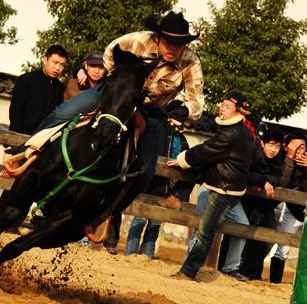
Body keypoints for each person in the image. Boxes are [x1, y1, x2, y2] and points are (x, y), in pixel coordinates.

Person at [31, 12, 204, 207]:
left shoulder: (191, 62)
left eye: (178, 44)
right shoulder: (137, 41)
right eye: (168, 42)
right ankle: (26, 156)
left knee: (146, 172)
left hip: (151, 110)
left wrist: (186, 110)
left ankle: (109, 212)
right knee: (61, 113)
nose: (173, 48)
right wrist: (116, 83)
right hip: (115, 98)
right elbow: (109, 52)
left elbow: (197, 101)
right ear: (158, 38)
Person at [167, 91, 251, 281]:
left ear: (239, 112)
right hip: (229, 187)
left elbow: (206, 150)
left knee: (205, 232)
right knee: (211, 229)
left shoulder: (231, 133)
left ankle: (188, 271)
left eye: (227, 106)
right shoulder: (241, 131)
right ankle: (224, 267)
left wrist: (182, 159)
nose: (222, 108)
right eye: (222, 104)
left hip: (223, 188)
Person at [125, 100, 192, 259]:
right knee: (140, 218)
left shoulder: (182, 140)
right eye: (178, 120)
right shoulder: (157, 131)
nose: (180, 125)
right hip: (149, 183)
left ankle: (147, 255)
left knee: (155, 223)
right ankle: (130, 254)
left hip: (165, 186)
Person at [268, 130, 307, 283]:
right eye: (295, 145)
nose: (298, 150)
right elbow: (282, 182)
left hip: (295, 209)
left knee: (285, 247)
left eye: (302, 146)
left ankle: (279, 282)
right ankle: (259, 274)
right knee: (267, 241)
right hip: (272, 204)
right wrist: (289, 158)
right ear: (286, 146)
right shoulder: (278, 159)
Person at [239, 123, 285, 280]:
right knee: (239, 233)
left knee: (267, 236)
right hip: (244, 200)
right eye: (271, 145)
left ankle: (251, 271)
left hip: (265, 206)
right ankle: (234, 267)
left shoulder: (279, 160)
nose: (273, 150)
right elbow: (244, 171)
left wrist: (262, 181)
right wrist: (261, 181)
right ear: (263, 143)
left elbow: (280, 179)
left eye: (277, 146)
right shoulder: (252, 153)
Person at [9, 44, 68, 135]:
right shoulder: (26, 80)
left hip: (44, 139)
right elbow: (15, 111)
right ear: (44, 59)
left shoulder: (59, 87)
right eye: (55, 62)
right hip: (22, 135)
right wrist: (18, 136)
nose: (57, 68)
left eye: (62, 65)